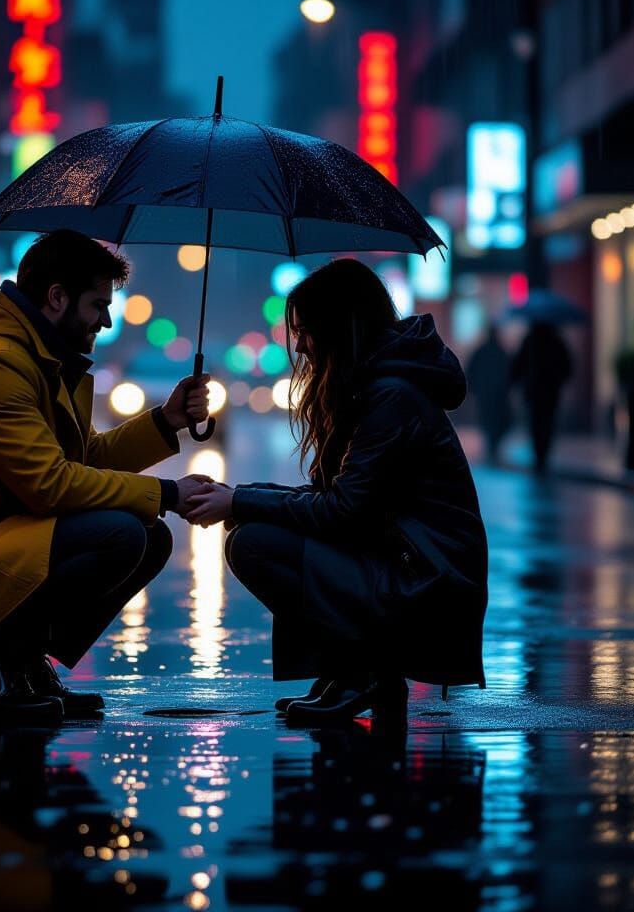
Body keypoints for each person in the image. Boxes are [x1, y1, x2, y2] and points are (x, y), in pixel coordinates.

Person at [0, 230, 211, 722]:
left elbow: (85, 457)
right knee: (120, 534)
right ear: (57, 297)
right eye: (98, 304)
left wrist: (167, 420)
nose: (106, 319)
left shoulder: (37, 358)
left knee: (149, 536)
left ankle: (23, 660)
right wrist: (166, 492)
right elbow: (49, 484)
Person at [184, 259, 488, 726]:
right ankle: (351, 671)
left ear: (338, 326)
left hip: (428, 581)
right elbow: (340, 497)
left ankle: (363, 673)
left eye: (306, 331)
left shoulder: (391, 396)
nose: (300, 345)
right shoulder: (373, 387)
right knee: (251, 527)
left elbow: (343, 510)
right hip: (405, 562)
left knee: (254, 543)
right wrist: (237, 496)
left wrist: (239, 500)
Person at [510, 321, 572, 473]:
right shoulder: (556, 342)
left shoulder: (530, 341)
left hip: (534, 391)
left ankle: (540, 455)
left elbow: (518, 365)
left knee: (536, 423)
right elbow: (567, 366)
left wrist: (515, 379)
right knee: (547, 422)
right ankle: (543, 455)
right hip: (550, 391)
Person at [466, 324, 513, 464]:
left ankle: (493, 444)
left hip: (488, 394)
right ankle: (493, 445)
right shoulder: (499, 352)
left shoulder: (484, 352)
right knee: (494, 420)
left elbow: (470, 371)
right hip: (494, 394)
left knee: (491, 420)